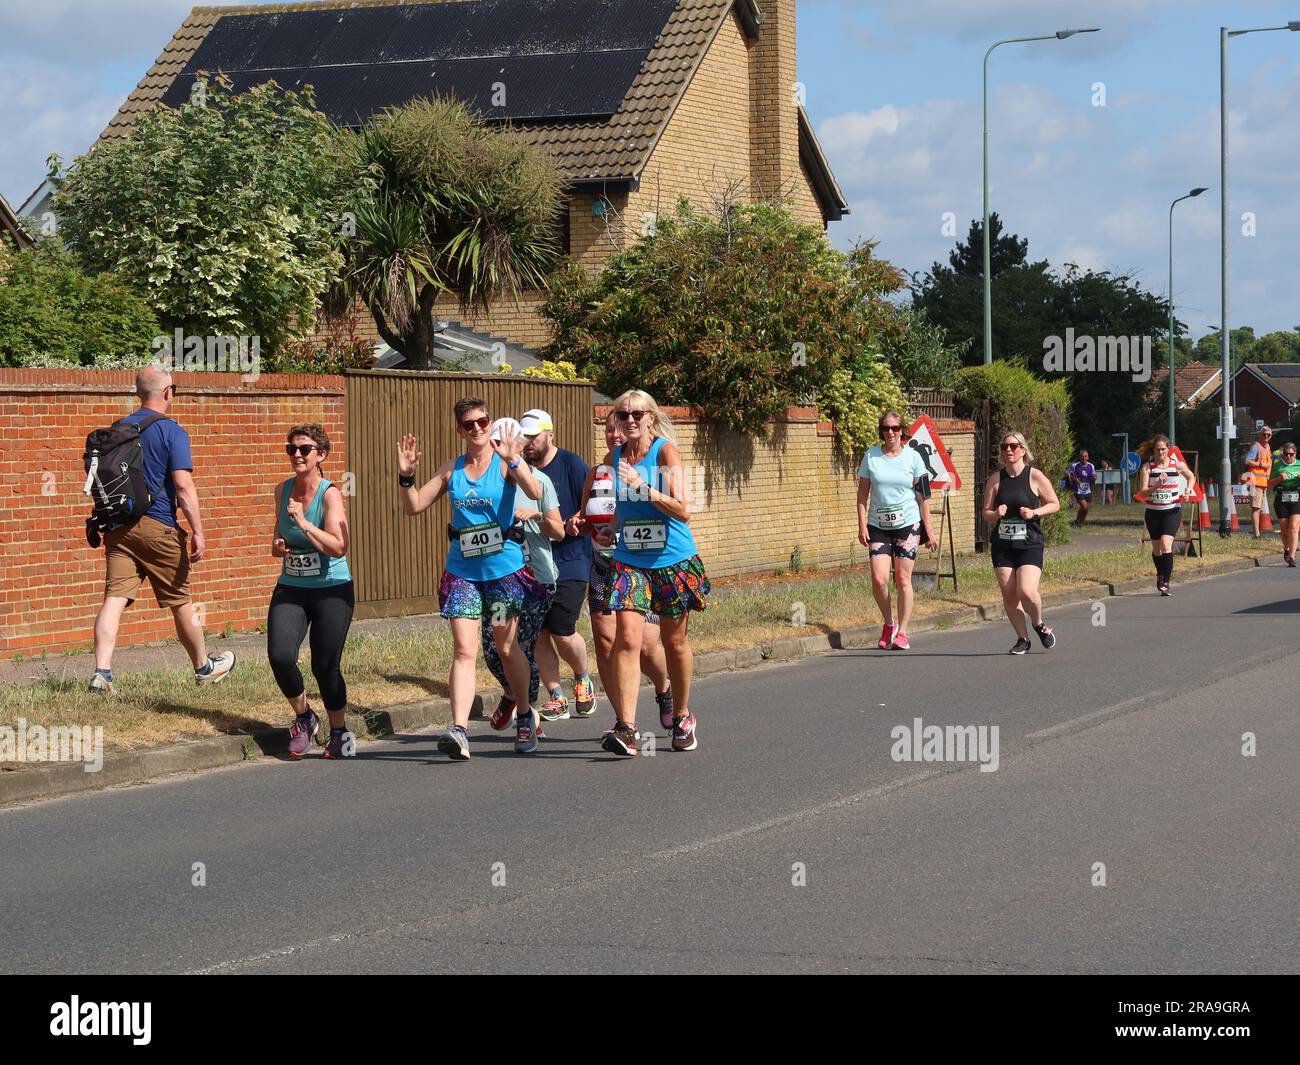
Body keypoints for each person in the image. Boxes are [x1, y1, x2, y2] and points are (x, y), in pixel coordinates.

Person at [397, 398, 545, 760]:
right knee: (464, 650)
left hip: (502, 575)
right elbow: (414, 506)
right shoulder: (453, 469)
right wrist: (405, 476)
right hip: (463, 574)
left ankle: (524, 713)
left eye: (482, 422)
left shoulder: (505, 463)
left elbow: (536, 491)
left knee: (506, 647)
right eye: (468, 425)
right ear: (459, 431)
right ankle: (459, 730)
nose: (477, 429)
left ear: (489, 423)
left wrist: (513, 459)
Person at [575, 390, 708, 756]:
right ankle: (628, 728)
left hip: (672, 561)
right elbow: (624, 506)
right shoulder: (614, 456)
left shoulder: (665, 452)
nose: (630, 420)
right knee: (628, 638)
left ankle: (682, 714)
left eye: (637, 414)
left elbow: (683, 510)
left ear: (650, 418)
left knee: (674, 642)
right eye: (623, 414)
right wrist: (610, 527)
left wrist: (643, 486)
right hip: (631, 562)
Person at [89, 364, 236, 693]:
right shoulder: (172, 431)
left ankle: (102, 672)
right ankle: (204, 667)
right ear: (168, 392)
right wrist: (198, 530)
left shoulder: (119, 427)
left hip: (119, 528)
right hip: (159, 527)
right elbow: (183, 487)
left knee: (114, 598)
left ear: (138, 392)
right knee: (181, 600)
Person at [584, 411, 674, 733]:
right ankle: (624, 720)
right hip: (603, 565)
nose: (614, 435)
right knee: (607, 641)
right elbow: (585, 515)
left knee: (646, 644)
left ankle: (664, 688)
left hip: (640, 565)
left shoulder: (646, 466)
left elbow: (672, 508)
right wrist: (577, 523)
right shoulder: (597, 472)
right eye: (609, 430)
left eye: (620, 429)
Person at [268, 425, 354, 759]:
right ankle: (305, 716)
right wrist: (279, 545)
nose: (298, 455)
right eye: (292, 449)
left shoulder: (330, 493)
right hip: (292, 586)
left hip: (332, 589)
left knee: (325, 666)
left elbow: (339, 547)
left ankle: (339, 731)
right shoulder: (282, 490)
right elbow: (277, 541)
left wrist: (304, 523)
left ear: (321, 455)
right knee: (280, 656)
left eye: (305, 449)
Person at [515, 409, 597, 722]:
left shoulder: (572, 464)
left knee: (562, 631)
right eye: (524, 438)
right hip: (535, 562)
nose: (529, 443)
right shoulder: (521, 471)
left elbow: (594, 503)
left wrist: (578, 519)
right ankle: (556, 696)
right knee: (538, 632)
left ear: (551, 434)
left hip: (572, 558)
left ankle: (582, 677)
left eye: (534, 437)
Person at [485, 434, 564, 730]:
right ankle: (512, 693)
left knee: (523, 646)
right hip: (499, 580)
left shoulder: (538, 480)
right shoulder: (488, 482)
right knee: (494, 649)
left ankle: (527, 715)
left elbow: (559, 531)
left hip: (536, 582)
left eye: (512, 443)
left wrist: (536, 516)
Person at [856, 411, 937, 651]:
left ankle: (902, 632)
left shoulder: (913, 458)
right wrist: (861, 525)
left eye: (895, 428)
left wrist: (929, 530)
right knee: (879, 579)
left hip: (908, 525)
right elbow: (862, 495)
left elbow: (923, 497)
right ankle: (888, 623)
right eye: (885, 428)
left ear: (902, 431)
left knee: (903, 579)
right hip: (878, 526)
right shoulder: (871, 457)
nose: (890, 432)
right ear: (881, 431)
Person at [981, 431, 1060, 654]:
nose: (1008, 450)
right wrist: (995, 513)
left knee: (1026, 591)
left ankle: (1038, 623)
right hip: (1003, 545)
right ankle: (1022, 639)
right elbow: (985, 513)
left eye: (1013, 446)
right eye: (1005, 446)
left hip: (1030, 543)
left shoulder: (1034, 476)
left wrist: (1034, 512)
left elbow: (1054, 504)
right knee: (1009, 594)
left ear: (1023, 450)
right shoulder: (995, 479)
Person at [1137, 434, 1194, 596]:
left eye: (1163, 449)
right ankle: (1160, 574)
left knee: (1166, 544)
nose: (1160, 452)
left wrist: (1188, 489)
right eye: (1157, 449)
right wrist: (1157, 485)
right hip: (1153, 512)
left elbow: (1191, 477)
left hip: (1172, 511)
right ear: (1153, 450)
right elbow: (1143, 492)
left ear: (1169, 449)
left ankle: (1166, 582)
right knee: (1157, 550)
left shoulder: (1177, 465)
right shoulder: (1148, 468)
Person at [1266, 440, 1300, 567]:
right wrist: (1279, 478)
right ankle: (1286, 548)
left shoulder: (1299, 465)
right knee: (1284, 529)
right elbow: (1269, 484)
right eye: (1286, 454)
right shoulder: (1278, 465)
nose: (1288, 456)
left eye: (1291, 454)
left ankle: (1292, 557)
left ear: (1295, 454)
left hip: (1297, 497)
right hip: (1282, 498)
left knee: (1294, 528)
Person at [1243, 425, 1273, 538]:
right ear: (1260, 435)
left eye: (1268, 435)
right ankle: (1256, 534)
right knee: (1256, 508)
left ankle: (1257, 532)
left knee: (1259, 508)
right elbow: (1247, 461)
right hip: (1254, 481)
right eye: (1264, 434)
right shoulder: (1256, 446)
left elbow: (1269, 463)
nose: (1266, 436)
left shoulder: (1267, 447)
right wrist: (1261, 464)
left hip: (1262, 482)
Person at [1066, 449, 1097, 527]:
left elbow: (1094, 475)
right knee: (1084, 506)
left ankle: (1079, 523)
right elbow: (1066, 472)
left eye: (1085, 456)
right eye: (1082, 456)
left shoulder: (1091, 466)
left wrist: (1094, 477)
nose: (1084, 458)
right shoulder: (1075, 465)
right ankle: (1078, 522)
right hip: (1078, 489)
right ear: (1080, 457)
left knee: (1085, 509)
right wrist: (1074, 479)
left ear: (1088, 457)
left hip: (1087, 489)